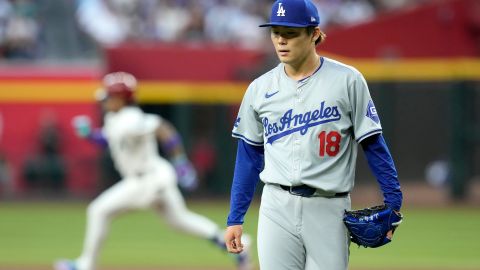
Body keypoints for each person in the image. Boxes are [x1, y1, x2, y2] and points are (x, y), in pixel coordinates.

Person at [224, 0, 403, 270]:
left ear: (314, 34)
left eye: (291, 33)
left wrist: (394, 202)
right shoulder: (259, 89)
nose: (281, 41)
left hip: (329, 207)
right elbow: (249, 156)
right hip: (276, 206)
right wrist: (235, 218)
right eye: (276, 32)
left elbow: (373, 143)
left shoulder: (347, 80)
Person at [54, 71, 252, 270]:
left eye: (109, 97)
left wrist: (180, 162)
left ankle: (85, 264)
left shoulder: (130, 118)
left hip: (147, 179)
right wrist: (89, 135)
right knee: (180, 220)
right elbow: (107, 140)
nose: (104, 101)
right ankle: (237, 247)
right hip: (153, 178)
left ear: (121, 98)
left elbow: (162, 128)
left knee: (98, 211)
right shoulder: (116, 118)